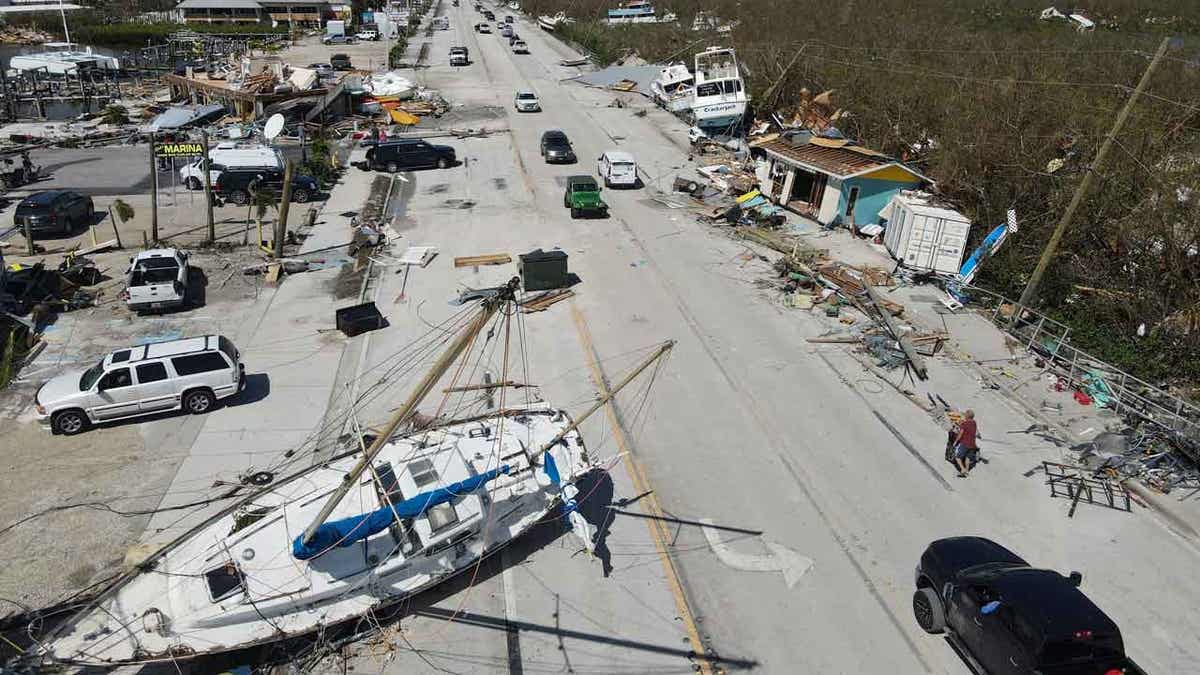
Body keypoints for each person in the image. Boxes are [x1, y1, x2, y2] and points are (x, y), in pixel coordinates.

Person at [953, 409, 979, 477]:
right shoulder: (974, 422)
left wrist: (956, 441)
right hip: (972, 444)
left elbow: (960, 434)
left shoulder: (965, 424)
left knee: (957, 457)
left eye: (965, 415)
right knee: (968, 458)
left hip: (965, 443)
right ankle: (967, 470)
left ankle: (963, 469)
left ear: (967, 416)